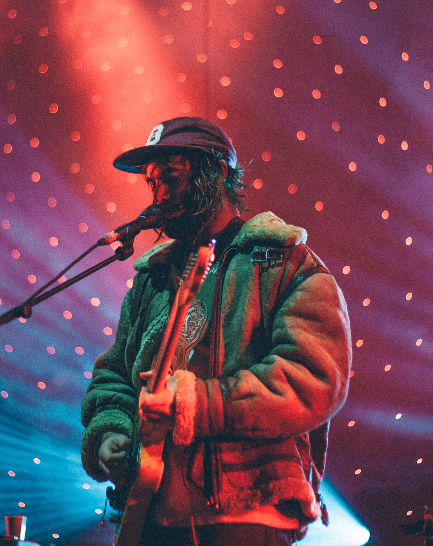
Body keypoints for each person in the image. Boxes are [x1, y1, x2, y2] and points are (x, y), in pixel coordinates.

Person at [80, 117, 352, 545]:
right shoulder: (152, 279)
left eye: (172, 177)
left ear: (218, 172)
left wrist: (196, 402)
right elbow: (114, 374)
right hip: (149, 513)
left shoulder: (285, 263)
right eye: (153, 182)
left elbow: (313, 379)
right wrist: (110, 431)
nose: (160, 193)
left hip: (246, 515)